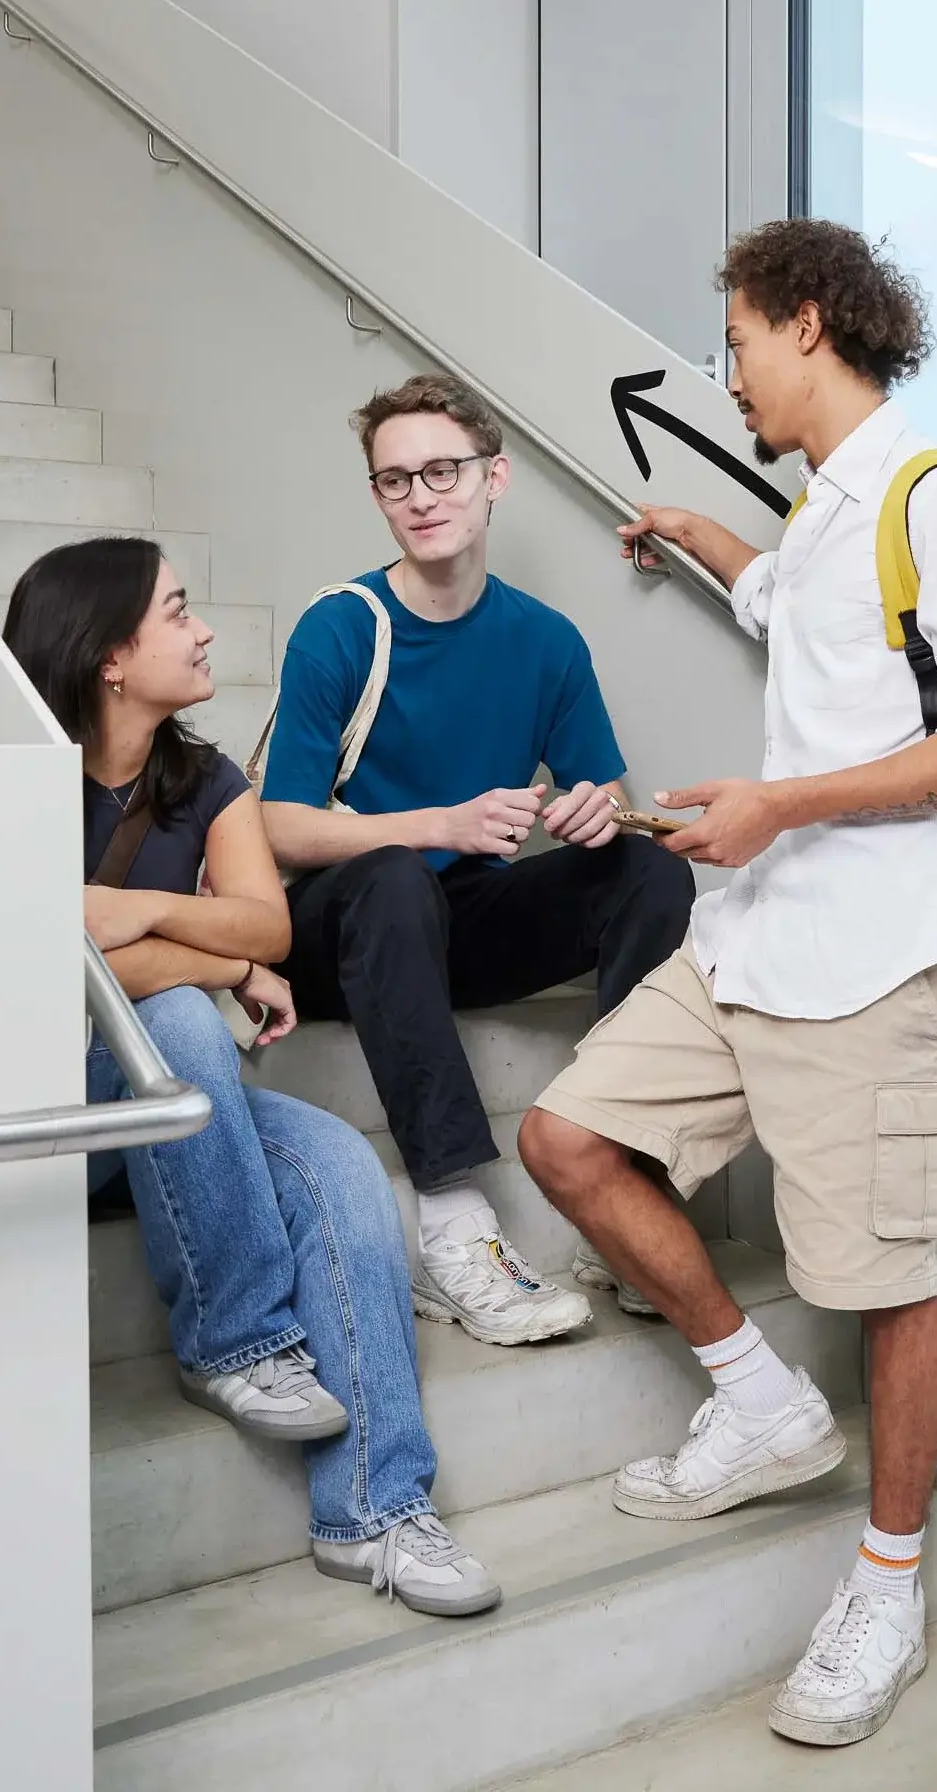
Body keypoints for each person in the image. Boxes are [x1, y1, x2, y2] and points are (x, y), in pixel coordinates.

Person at [517, 219, 937, 1745]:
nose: (730, 368)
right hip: (755, 933)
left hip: (888, 958)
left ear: (808, 323)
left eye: (738, 340)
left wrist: (778, 806)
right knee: (564, 1138)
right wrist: (694, 531)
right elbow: (792, 610)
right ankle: (759, 1402)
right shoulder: (828, 509)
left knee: (888, 1285)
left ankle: (887, 1586)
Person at [4, 534, 498, 1618]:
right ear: (108, 657)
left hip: (185, 1116)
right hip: (47, 1109)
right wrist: (219, 962)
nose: (204, 626)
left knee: (340, 1169)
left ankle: (375, 1511)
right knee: (180, 1017)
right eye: (177, 610)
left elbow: (266, 922)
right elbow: (31, 965)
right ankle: (237, 1340)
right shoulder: (10, 781)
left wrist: (146, 918)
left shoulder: (206, 781)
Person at [259, 372, 697, 1347]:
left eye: (443, 471)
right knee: (396, 874)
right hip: (344, 931)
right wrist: (436, 825)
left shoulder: (546, 643)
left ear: (494, 479)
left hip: (460, 930)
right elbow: (283, 826)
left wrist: (597, 814)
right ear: (377, 496)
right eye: (395, 480)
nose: (421, 496)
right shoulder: (341, 626)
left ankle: (625, 1171)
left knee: (654, 871)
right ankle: (458, 1223)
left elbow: (611, 802)